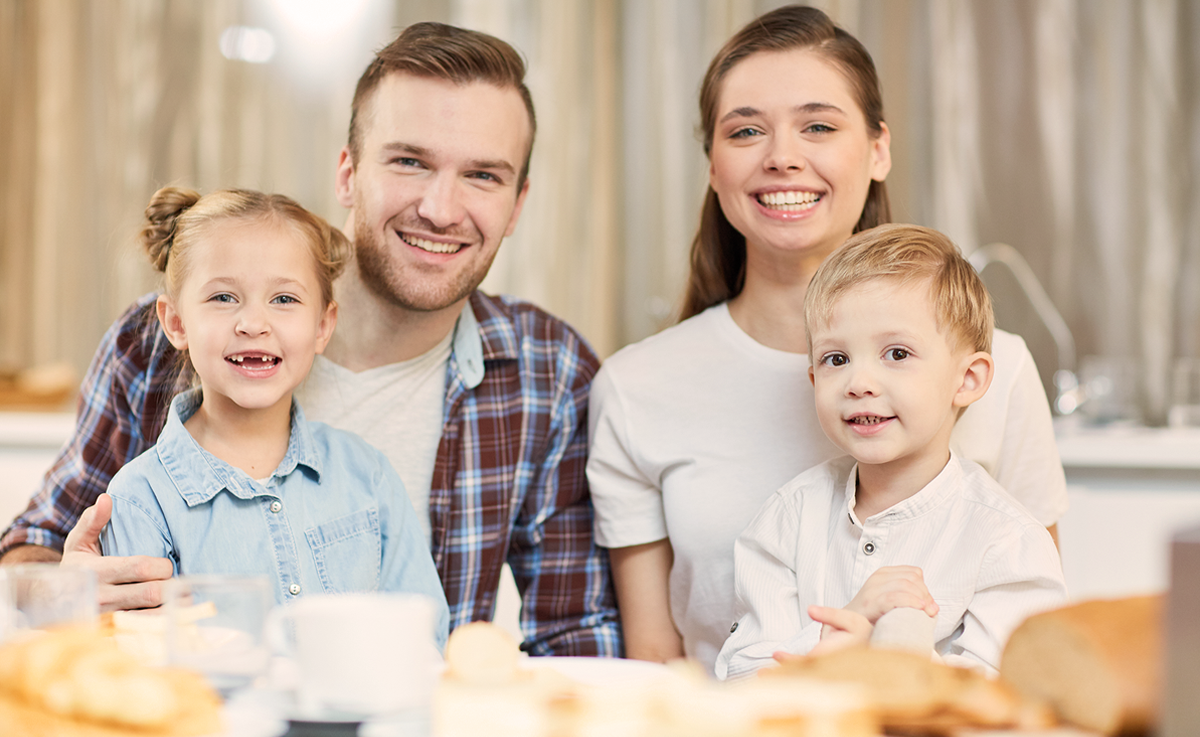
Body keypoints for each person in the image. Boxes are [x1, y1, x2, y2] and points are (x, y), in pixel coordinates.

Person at [0, 22, 618, 656]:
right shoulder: (155, 342)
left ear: (517, 205)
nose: (440, 207)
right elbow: (33, 551)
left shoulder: (550, 371)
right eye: (409, 161)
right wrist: (64, 594)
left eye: (483, 176)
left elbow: (573, 636)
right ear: (347, 174)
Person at [587, 4, 1067, 672]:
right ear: (712, 164)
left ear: (877, 149)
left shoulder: (1002, 367)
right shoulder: (635, 388)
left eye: (817, 125)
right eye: (746, 130)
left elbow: (1033, 653)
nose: (783, 157)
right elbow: (656, 667)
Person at [98, 185, 449, 647]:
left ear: (323, 326)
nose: (253, 323)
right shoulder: (140, 500)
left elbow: (424, 636)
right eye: (223, 297)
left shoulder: (367, 474)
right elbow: (142, 667)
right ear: (176, 323)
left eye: (284, 299)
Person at [713, 224, 1068, 680]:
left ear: (968, 380)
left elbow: (1008, 701)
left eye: (896, 353)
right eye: (836, 359)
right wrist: (839, 635)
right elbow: (742, 679)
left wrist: (896, 648)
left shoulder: (1008, 543)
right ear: (814, 380)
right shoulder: (786, 520)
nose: (859, 383)